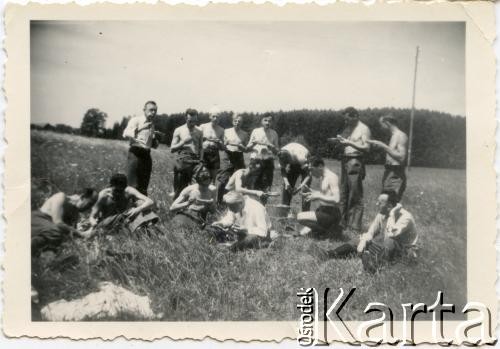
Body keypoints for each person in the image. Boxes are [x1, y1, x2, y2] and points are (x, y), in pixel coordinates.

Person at [326, 191, 418, 273]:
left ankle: (373, 266)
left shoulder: (405, 217)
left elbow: (391, 234)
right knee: (361, 238)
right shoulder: (382, 213)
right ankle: (331, 254)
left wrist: (392, 214)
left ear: (389, 206)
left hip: (403, 251)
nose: (377, 204)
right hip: (386, 248)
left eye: (380, 202)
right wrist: (363, 241)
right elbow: (371, 233)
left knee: (390, 241)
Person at [331, 107, 371, 233]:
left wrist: (349, 143)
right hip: (345, 160)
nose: (346, 122)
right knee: (343, 193)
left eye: (348, 119)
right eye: (345, 119)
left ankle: (354, 226)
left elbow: (366, 147)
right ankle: (342, 223)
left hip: (355, 161)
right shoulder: (349, 128)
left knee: (355, 194)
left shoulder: (363, 129)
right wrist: (338, 141)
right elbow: (345, 142)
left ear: (355, 116)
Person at [31, 188, 98, 256]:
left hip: (47, 231)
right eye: (90, 204)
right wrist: (82, 234)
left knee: (59, 245)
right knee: (55, 233)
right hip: (36, 221)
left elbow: (70, 235)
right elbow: (58, 223)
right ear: (83, 197)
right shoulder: (61, 197)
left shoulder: (75, 214)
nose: (89, 208)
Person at [85, 173, 157, 236]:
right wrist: (94, 224)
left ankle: (147, 226)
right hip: (108, 222)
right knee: (128, 212)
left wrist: (138, 209)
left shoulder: (128, 190)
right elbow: (92, 217)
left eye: (121, 190)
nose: (118, 193)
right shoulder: (103, 196)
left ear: (125, 187)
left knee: (140, 203)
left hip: (124, 219)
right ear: (110, 186)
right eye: (116, 190)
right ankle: (142, 228)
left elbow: (150, 201)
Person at [296, 156, 341, 238]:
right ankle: (324, 231)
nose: (310, 173)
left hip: (332, 213)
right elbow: (325, 193)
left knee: (300, 217)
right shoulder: (323, 177)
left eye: (311, 169)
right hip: (324, 210)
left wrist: (318, 196)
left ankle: (327, 232)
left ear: (320, 166)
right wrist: (312, 192)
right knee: (302, 232)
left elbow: (337, 199)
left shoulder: (332, 177)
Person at [367, 114, 408, 202]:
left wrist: (382, 146)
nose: (381, 128)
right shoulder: (393, 136)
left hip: (396, 173)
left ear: (387, 123)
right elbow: (391, 154)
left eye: (381, 125)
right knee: (385, 204)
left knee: (389, 204)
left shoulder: (400, 136)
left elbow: (401, 157)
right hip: (389, 172)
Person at [122, 101, 160, 195]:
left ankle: (140, 208)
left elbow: (151, 145)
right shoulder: (136, 120)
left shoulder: (152, 125)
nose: (153, 113)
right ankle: (128, 207)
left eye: (155, 110)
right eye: (151, 110)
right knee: (131, 185)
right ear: (144, 110)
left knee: (143, 186)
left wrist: (156, 139)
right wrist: (142, 127)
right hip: (135, 154)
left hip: (146, 155)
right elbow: (125, 133)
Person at [170, 164, 217, 230]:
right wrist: (188, 203)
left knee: (213, 231)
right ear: (197, 179)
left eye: (207, 184)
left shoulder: (213, 190)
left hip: (201, 217)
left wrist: (211, 205)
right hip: (189, 214)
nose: (205, 187)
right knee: (180, 225)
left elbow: (213, 211)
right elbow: (172, 208)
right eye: (203, 185)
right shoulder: (190, 189)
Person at [216, 113, 249, 205]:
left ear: (242, 123)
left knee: (241, 179)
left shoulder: (245, 134)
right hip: (227, 155)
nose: (237, 123)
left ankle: (239, 202)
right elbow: (222, 145)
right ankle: (220, 202)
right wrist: (225, 143)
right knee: (224, 179)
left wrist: (240, 145)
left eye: (239, 121)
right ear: (232, 121)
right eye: (235, 121)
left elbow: (246, 149)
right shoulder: (226, 131)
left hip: (239, 156)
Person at [170, 108, 203, 199]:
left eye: (195, 121)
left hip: (196, 161)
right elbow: (172, 149)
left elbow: (201, 148)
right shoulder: (179, 130)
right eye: (190, 121)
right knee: (180, 189)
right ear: (186, 118)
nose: (192, 124)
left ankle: (192, 209)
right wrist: (183, 142)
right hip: (183, 160)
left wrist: (201, 160)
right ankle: (177, 210)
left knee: (196, 188)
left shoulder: (199, 131)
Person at [247, 113, 279, 195]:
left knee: (266, 185)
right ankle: (251, 205)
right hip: (256, 160)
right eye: (265, 120)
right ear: (261, 121)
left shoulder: (274, 133)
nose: (267, 123)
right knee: (252, 183)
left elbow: (277, 151)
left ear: (272, 123)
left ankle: (263, 206)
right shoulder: (255, 131)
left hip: (268, 161)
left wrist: (272, 147)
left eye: (270, 121)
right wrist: (254, 143)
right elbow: (248, 148)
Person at [278, 142, 311, 212]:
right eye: (286, 163)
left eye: (288, 162)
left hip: (304, 160)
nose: (287, 164)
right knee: (287, 187)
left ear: (290, 157)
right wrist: (287, 183)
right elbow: (283, 170)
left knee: (306, 189)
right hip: (294, 160)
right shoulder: (281, 154)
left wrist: (300, 187)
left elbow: (308, 175)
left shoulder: (300, 157)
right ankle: (284, 211)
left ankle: (305, 213)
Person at [199, 110, 224, 184]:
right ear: (210, 117)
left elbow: (222, 148)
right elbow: (196, 140)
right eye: (214, 116)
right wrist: (203, 139)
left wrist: (219, 142)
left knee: (213, 180)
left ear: (220, 118)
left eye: (217, 117)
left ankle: (211, 195)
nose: (215, 118)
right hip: (204, 153)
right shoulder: (203, 126)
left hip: (214, 154)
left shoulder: (221, 130)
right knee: (203, 177)